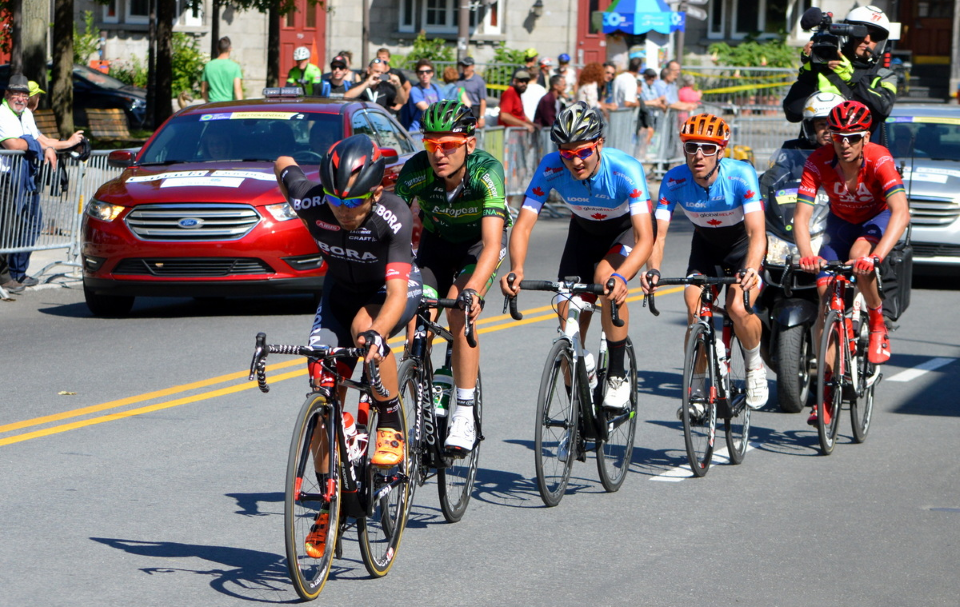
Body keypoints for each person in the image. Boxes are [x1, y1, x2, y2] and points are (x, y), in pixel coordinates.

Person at [275, 134, 421, 557]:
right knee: (322, 386)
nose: (342, 211)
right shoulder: (311, 200)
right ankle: (331, 502)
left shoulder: (392, 215)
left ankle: (390, 419)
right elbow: (283, 162)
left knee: (364, 333)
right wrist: (291, 166)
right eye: (335, 201)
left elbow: (396, 295)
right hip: (339, 289)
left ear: (375, 191)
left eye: (352, 202)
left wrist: (379, 331)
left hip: (388, 291)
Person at [501, 102, 655, 410]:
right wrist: (516, 268)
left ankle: (616, 374)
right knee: (568, 327)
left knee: (605, 280)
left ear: (599, 144)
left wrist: (623, 276)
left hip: (621, 233)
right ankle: (580, 417)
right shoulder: (551, 166)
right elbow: (524, 224)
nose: (575, 161)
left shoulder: (625, 170)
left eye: (583, 151)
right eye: (567, 153)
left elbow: (645, 237)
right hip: (583, 234)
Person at [395, 101, 510, 452]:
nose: (439, 153)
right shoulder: (415, 171)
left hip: (477, 247)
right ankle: (423, 408)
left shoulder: (486, 171)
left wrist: (473, 289)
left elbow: (492, 244)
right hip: (437, 245)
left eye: (449, 145)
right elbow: (389, 223)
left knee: (459, 311)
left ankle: (463, 411)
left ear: (470, 144)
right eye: (432, 145)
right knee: (417, 322)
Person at [641, 114, 769, 411]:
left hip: (742, 250)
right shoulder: (673, 180)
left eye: (708, 148)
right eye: (692, 146)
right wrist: (653, 270)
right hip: (706, 250)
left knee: (738, 307)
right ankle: (697, 386)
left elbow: (756, 232)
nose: (699, 155)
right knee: (694, 308)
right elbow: (657, 236)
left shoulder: (740, 175)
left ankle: (754, 365)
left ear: (721, 152)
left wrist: (751, 268)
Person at [793, 101, 909, 425]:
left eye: (853, 137)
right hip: (840, 225)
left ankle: (876, 322)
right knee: (825, 295)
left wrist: (877, 256)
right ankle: (826, 390)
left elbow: (901, 211)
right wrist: (807, 254)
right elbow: (801, 217)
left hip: (876, 220)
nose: (844, 144)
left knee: (860, 257)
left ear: (865, 138)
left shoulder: (879, 158)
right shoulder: (817, 161)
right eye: (837, 136)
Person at [0, 74, 84, 288]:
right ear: (7, 94)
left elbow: (40, 140)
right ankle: (3, 276)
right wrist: (36, 143)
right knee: (7, 229)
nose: (21, 98)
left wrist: (65, 144)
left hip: (27, 175)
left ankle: (19, 272)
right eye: (16, 94)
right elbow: (13, 145)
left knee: (32, 224)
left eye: (25, 95)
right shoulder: (2, 114)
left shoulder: (26, 114)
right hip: (7, 178)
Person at [783, 5, 898, 145]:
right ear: (847, 35)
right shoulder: (824, 68)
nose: (867, 40)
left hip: (859, 157)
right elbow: (793, 114)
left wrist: (852, 78)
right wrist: (808, 72)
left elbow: (883, 110)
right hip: (816, 155)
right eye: (860, 33)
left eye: (875, 36)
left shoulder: (884, 75)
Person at [403, 59, 443, 132]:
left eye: (428, 72)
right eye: (421, 72)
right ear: (417, 74)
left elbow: (443, 105)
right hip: (418, 132)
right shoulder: (415, 90)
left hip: (433, 131)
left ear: (432, 73)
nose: (425, 74)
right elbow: (426, 109)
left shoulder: (436, 88)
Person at [201, 37, 243, 102]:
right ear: (230, 49)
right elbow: (237, 89)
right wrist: (241, 106)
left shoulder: (209, 65)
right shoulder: (235, 66)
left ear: (218, 49)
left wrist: (207, 102)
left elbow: (203, 90)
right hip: (228, 105)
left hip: (213, 104)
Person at [456, 57, 487, 129]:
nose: (464, 68)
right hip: (460, 111)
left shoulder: (479, 81)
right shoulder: (458, 79)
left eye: (466, 66)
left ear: (472, 66)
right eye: (463, 66)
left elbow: (483, 100)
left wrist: (482, 117)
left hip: (474, 111)